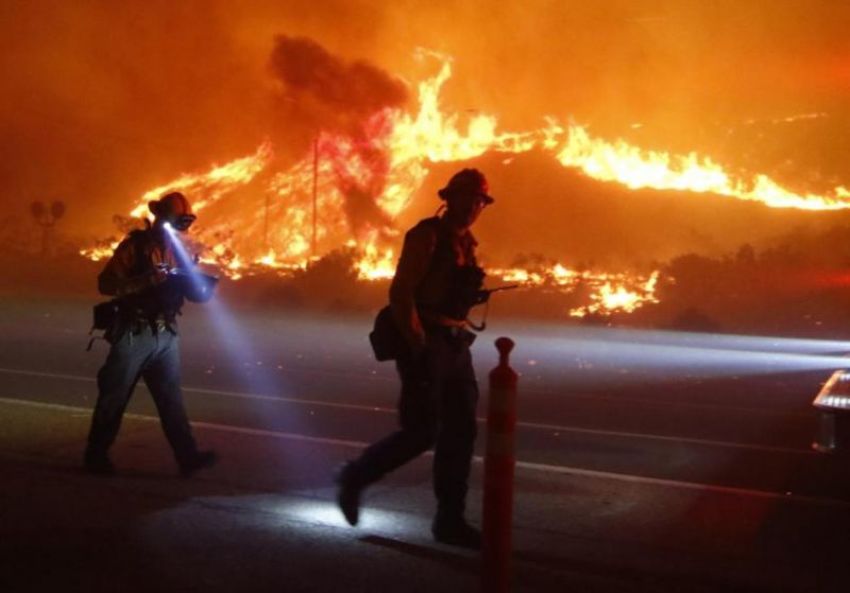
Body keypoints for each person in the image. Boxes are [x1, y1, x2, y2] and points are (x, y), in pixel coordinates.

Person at [336, 168, 494, 548]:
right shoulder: (426, 236)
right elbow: (402, 292)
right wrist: (418, 343)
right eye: (468, 198)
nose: (473, 207)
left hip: (456, 343)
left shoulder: (467, 242)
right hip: (428, 341)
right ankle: (356, 476)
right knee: (421, 430)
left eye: (480, 201)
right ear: (449, 198)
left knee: (460, 431)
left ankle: (449, 520)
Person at [83, 191, 218, 477]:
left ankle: (188, 457)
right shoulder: (135, 246)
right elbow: (106, 284)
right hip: (134, 333)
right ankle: (95, 456)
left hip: (165, 334)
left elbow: (182, 290)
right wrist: (147, 281)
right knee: (114, 397)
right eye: (174, 222)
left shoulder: (175, 250)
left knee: (171, 400)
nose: (177, 231)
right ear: (160, 217)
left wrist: (197, 285)